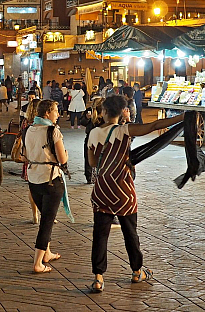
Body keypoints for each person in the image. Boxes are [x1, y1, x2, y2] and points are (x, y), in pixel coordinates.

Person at [87, 95, 184, 292]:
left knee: (100, 235)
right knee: (130, 232)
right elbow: (154, 125)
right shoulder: (125, 130)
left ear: (104, 112)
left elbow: (92, 163)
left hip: (102, 190)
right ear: (122, 112)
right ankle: (136, 270)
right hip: (123, 190)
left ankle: (98, 277)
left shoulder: (94, 133)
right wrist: (181, 117)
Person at [21, 100, 67, 273]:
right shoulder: (52, 131)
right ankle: (38, 263)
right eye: (56, 111)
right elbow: (63, 159)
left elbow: (24, 156)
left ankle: (46, 253)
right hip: (51, 180)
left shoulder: (28, 129)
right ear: (47, 113)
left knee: (45, 216)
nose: (58, 114)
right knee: (47, 223)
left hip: (33, 179)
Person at [21, 99, 41, 223]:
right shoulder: (42, 124)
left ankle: (35, 215)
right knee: (44, 187)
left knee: (32, 187)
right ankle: (45, 213)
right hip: (41, 157)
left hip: (29, 157)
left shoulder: (25, 122)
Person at [84, 97, 104, 184]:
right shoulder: (89, 111)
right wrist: (87, 118)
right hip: (92, 138)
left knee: (96, 158)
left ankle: (94, 176)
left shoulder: (105, 113)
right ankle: (90, 177)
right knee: (90, 158)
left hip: (97, 138)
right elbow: (82, 122)